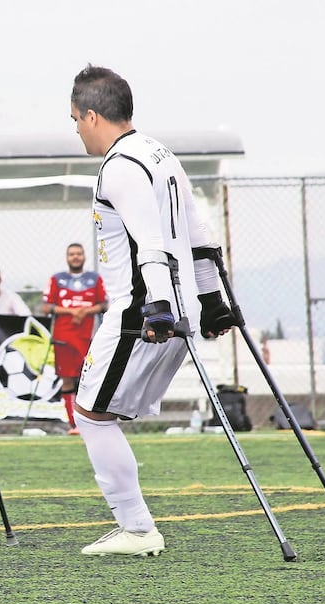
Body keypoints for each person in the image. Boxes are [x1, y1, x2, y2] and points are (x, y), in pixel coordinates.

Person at [69, 65, 234, 556]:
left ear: (93, 115)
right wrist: (211, 301)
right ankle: (136, 527)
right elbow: (199, 234)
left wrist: (158, 307)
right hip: (171, 309)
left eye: (75, 118)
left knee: (92, 415)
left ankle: (138, 530)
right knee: (103, 413)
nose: (75, 128)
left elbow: (151, 243)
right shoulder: (160, 153)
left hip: (141, 315)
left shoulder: (119, 165)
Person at [40, 243, 107, 435]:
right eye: (72, 254)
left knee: (90, 379)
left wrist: (85, 312)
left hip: (88, 337)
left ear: (84, 256)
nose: (75, 257)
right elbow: (46, 307)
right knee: (67, 380)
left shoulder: (94, 279)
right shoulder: (57, 279)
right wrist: (71, 311)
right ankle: (74, 425)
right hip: (64, 337)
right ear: (67, 257)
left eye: (78, 254)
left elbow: (104, 305)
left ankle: (93, 421)